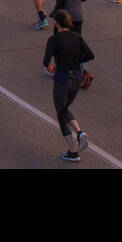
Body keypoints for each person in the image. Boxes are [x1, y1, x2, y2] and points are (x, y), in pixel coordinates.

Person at [43, 9, 94, 162]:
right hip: (77, 77)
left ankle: (76, 140)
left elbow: (46, 61)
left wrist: (53, 66)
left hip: (63, 76)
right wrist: (76, 59)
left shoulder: (54, 39)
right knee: (64, 109)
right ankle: (75, 143)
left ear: (57, 23)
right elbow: (90, 55)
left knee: (61, 111)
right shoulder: (77, 37)